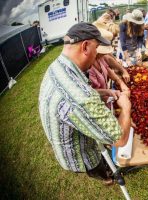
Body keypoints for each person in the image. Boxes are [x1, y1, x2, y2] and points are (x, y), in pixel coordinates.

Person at [38, 22, 131, 185]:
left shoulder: (58, 65)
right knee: (98, 166)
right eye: (97, 48)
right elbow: (120, 139)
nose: (97, 54)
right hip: (80, 155)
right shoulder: (82, 97)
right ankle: (107, 177)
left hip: (72, 137)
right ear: (86, 46)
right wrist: (126, 107)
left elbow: (77, 95)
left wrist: (105, 92)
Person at [89, 28, 130, 103]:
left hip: (108, 99)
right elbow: (90, 93)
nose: (105, 54)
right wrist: (116, 97)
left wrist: (120, 82)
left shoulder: (100, 58)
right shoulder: (88, 68)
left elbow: (107, 69)